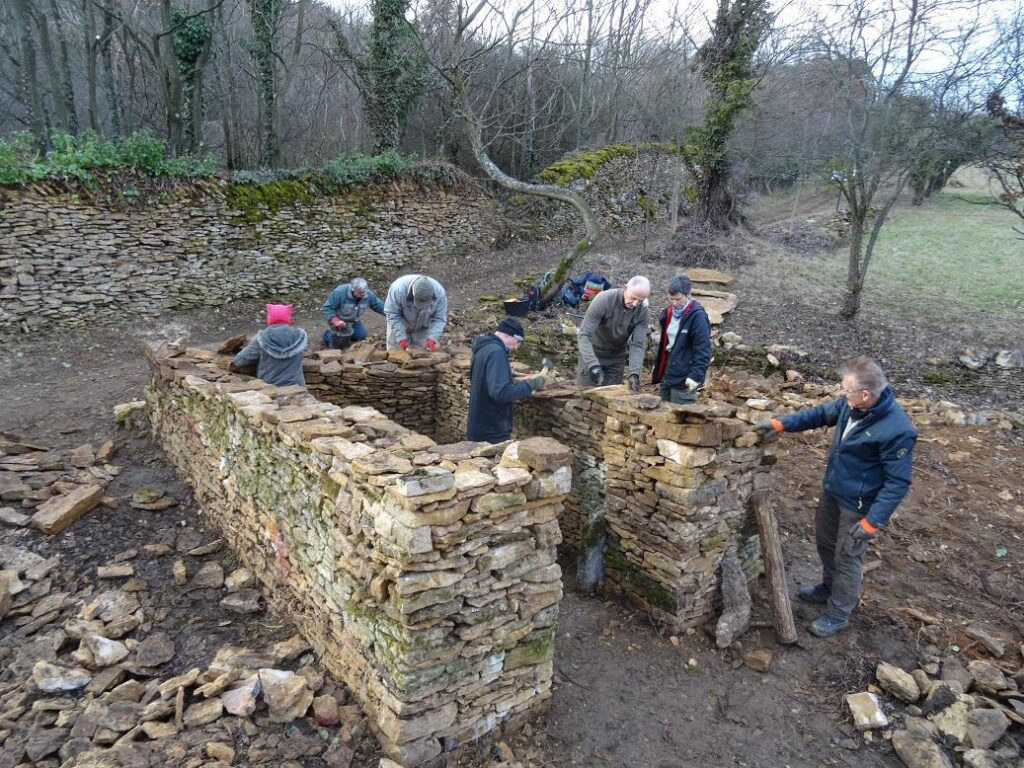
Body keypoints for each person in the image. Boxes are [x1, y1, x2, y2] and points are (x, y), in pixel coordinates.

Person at [755, 357, 916, 638]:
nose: (841, 394)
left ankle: (838, 613)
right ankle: (828, 587)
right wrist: (781, 424)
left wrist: (871, 523)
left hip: (859, 506)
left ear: (865, 394)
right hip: (833, 491)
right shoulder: (849, 404)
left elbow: (898, 483)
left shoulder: (897, 430)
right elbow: (818, 415)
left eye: (846, 389)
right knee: (826, 544)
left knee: (848, 556)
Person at [467, 318, 551, 443]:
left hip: (478, 425)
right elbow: (501, 393)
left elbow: (482, 376)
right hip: (491, 431)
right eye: (517, 342)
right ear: (506, 334)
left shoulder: (483, 347)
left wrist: (507, 372)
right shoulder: (497, 352)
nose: (516, 347)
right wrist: (531, 384)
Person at [576, 275, 651, 392]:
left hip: (616, 359)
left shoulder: (643, 312)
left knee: (610, 399)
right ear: (625, 287)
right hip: (592, 353)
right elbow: (584, 334)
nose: (635, 304)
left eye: (640, 301)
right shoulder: (603, 300)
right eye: (633, 298)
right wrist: (592, 364)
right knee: (584, 397)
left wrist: (634, 373)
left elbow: (637, 344)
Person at [651, 275, 712, 404]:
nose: (674, 303)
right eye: (671, 299)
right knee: (663, 415)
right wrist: (658, 366)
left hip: (685, 377)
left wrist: (695, 376)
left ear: (688, 294)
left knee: (682, 418)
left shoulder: (697, 317)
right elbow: (665, 344)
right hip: (668, 374)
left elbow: (703, 350)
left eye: (678, 299)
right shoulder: (667, 314)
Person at [231, 303, 308, 387]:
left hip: (270, 386)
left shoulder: (262, 337)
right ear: (288, 318)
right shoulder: (299, 336)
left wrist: (232, 364)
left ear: (270, 318)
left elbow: (241, 359)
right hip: (297, 386)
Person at [383, 274, 448, 351]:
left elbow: (439, 319)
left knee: (422, 354)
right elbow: (392, 314)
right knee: (395, 353)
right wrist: (400, 337)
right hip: (400, 322)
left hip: (423, 324)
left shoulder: (440, 294)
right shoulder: (398, 290)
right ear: (413, 293)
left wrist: (432, 338)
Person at [321, 277, 385, 350]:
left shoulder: (368, 294)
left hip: (353, 320)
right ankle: (327, 335)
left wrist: (391, 314)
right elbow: (327, 307)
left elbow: (378, 306)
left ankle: (348, 336)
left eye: (365, 291)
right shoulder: (339, 292)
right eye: (361, 292)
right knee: (340, 345)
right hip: (339, 320)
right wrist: (336, 321)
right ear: (353, 290)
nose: (364, 294)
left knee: (361, 336)